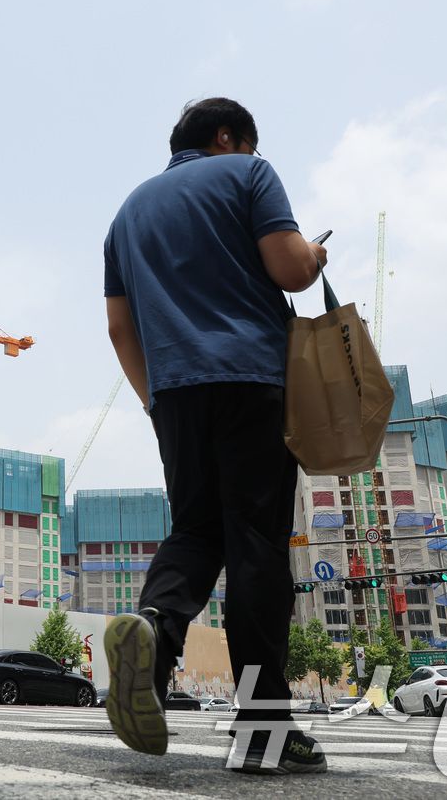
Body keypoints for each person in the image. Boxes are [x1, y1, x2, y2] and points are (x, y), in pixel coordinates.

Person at [101, 98, 328, 775]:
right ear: (228, 136)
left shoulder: (127, 212)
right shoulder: (248, 175)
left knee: (196, 530)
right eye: (245, 143)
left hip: (174, 393)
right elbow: (289, 270)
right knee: (256, 544)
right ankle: (263, 727)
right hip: (251, 378)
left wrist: (155, 401)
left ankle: (155, 630)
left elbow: (119, 328)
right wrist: (313, 252)